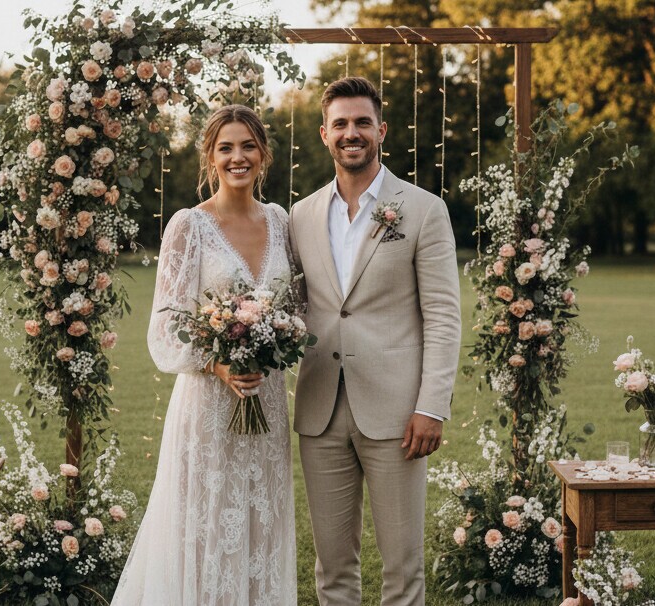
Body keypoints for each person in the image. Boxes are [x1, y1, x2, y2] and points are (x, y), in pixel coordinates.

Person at [112, 105, 296, 605]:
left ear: (264, 154)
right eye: (226, 148)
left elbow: (295, 307)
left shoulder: (281, 221)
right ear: (210, 158)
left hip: (268, 401)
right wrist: (218, 361)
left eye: (248, 146)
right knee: (204, 525)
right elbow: (164, 326)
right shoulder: (188, 227)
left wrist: (278, 336)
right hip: (209, 409)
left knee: (260, 521)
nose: (239, 157)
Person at [288, 77, 462, 606]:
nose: (351, 133)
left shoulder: (424, 209)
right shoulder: (300, 216)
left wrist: (431, 406)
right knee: (332, 567)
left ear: (381, 130)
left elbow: (443, 315)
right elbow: (295, 309)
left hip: (398, 414)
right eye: (340, 124)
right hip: (320, 408)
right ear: (324, 134)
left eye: (362, 122)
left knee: (402, 566)